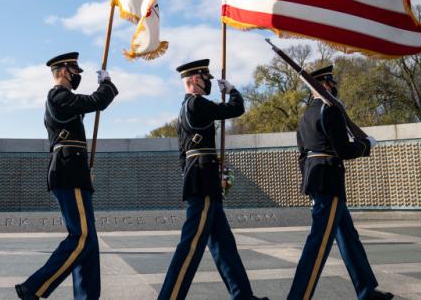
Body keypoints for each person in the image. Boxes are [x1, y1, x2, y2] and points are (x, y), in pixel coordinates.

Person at [158, 59, 268, 300]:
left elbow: (182, 153)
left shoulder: (183, 108)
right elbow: (235, 109)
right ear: (195, 79)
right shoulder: (197, 104)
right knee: (191, 246)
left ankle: (243, 296)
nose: (208, 81)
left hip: (199, 177)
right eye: (205, 77)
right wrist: (233, 91)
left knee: (224, 245)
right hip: (203, 179)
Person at [15, 52, 118, 300]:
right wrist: (107, 84)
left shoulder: (65, 98)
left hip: (75, 172)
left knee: (89, 243)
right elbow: (96, 101)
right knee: (81, 237)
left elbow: (88, 105)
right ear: (63, 72)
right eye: (75, 72)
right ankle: (34, 287)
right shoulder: (58, 95)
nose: (77, 76)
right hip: (68, 172)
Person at [287, 65, 393, 300]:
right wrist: (366, 146)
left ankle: (366, 290)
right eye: (330, 83)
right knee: (318, 244)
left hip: (318, 180)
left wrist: (310, 186)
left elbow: (302, 155)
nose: (334, 86)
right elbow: (342, 150)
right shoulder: (330, 110)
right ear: (323, 85)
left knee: (349, 238)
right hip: (330, 181)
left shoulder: (305, 116)